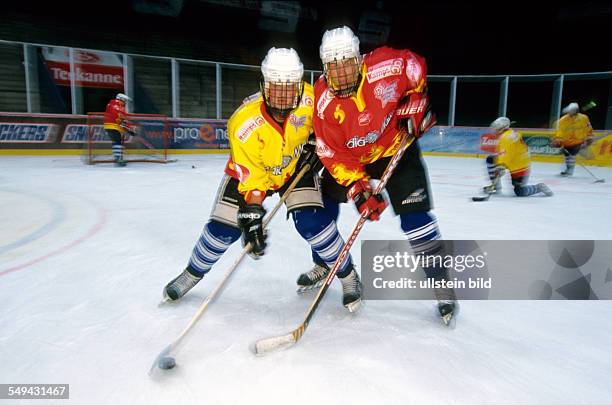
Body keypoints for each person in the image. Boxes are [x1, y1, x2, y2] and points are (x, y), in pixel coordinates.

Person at [163, 48, 362, 311]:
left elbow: (333, 125)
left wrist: (317, 145)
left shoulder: (313, 100)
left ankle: (348, 276)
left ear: (299, 86)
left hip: (294, 168)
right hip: (253, 175)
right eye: (275, 87)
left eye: (289, 87)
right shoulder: (243, 122)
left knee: (313, 223)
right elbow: (253, 182)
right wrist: (252, 215)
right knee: (223, 231)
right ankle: (193, 272)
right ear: (264, 85)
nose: (282, 96)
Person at [307, 26, 456, 323]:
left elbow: (415, 65)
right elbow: (331, 153)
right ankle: (325, 262)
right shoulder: (323, 102)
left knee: (416, 219)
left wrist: (417, 99)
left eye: (347, 62)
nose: (341, 72)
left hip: (395, 148)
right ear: (324, 68)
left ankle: (441, 283)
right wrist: (357, 188)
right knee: (322, 202)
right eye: (333, 66)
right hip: (353, 157)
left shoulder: (386, 64)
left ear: (359, 59)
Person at [483, 117, 553, 197]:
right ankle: (495, 186)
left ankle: (539, 187)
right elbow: (505, 153)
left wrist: (501, 165)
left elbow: (506, 153)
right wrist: (500, 165)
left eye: (496, 128)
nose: (494, 130)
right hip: (516, 161)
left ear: (501, 128)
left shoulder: (505, 138)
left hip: (520, 166)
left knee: (520, 191)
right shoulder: (509, 134)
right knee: (490, 159)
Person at [552, 102, 593, 176]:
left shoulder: (584, 118)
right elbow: (559, 130)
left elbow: (588, 128)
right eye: (569, 110)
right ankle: (568, 169)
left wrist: (589, 136)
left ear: (576, 110)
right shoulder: (563, 120)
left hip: (578, 141)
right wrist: (558, 139)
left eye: (572, 110)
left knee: (571, 155)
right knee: (567, 156)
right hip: (567, 142)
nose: (570, 112)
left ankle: (569, 170)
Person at [103, 93, 132, 166]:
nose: (125, 102)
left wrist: (128, 128)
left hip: (113, 126)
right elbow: (117, 116)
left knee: (116, 141)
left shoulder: (117, 106)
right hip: (112, 126)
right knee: (117, 141)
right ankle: (118, 159)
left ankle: (118, 158)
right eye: (125, 100)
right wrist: (126, 126)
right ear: (121, 99)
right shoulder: (115, 105)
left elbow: (123, 118)